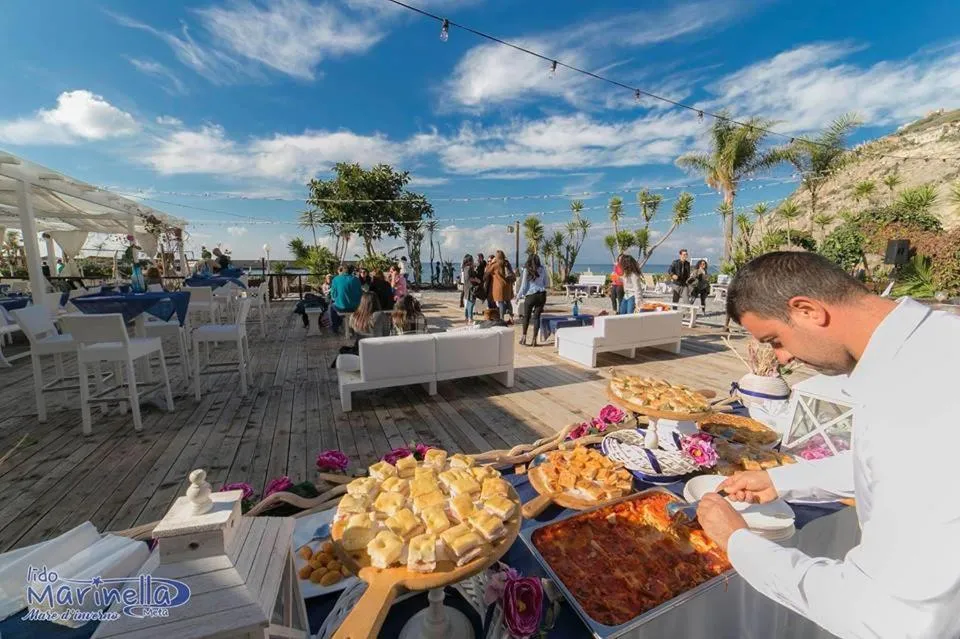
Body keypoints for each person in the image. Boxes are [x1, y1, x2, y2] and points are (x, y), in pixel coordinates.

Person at [696, 251, 960, 639]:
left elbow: (889, 615)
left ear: (807, 310)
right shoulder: (935, 341)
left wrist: (739, 543)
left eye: (775, 341)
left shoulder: (919, 398)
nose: (782, 360)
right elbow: (885, 465)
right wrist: (782, 482)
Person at [516, 254, 547, 346]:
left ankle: (524, 338)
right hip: (542, 295)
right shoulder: (543, 269)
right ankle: (534, 340)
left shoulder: (526, 269)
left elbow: (524, 286)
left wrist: (518, 296)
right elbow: (546, 282)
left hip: (531, 296)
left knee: (526, 317)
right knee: (536, 317)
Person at [329, 265, 362, 334]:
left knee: (332, 307)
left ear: (342, 271)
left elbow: (333, 295)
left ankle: (335, 328)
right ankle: (353, 327)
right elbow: (360, 293)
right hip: (355, 307)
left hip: (342, 308)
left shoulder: (336, 279)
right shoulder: (356, 279)